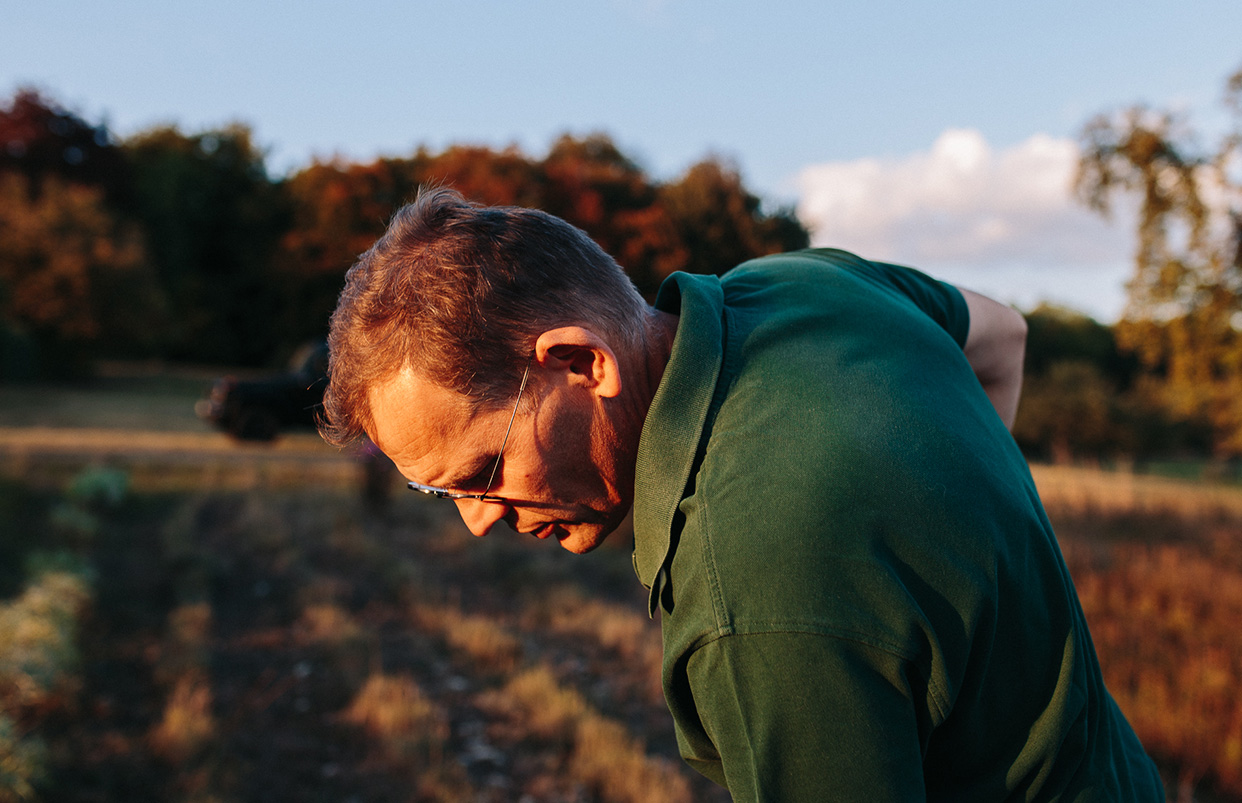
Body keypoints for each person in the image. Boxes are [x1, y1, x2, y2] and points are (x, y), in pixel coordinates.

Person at [319, 186, 1164, 801]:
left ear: (581, 364)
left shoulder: (755, 591)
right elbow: (1003, 337)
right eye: (440, 492)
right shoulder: (807, 286)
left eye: (483, 472)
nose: (475, 520)